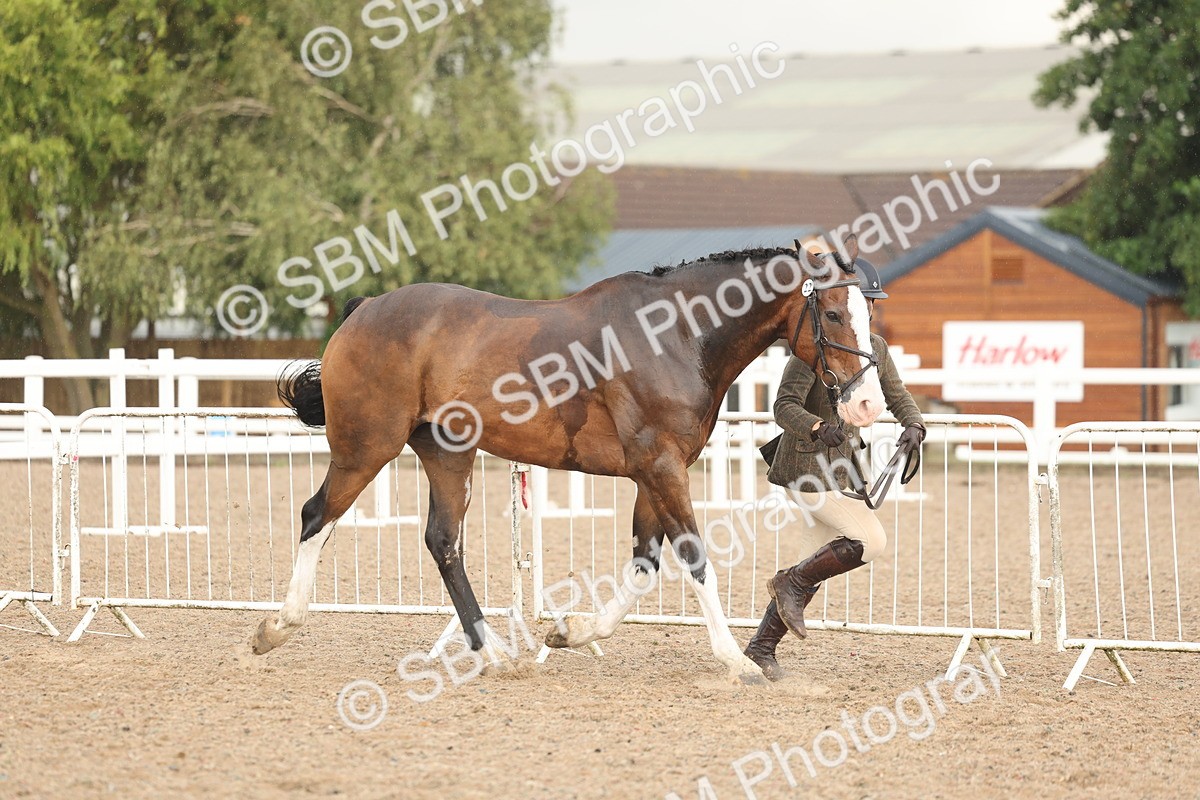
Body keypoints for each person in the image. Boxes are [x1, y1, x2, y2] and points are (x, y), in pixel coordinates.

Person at [743, 256, 926, 681]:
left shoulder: (874, 348)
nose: (868, 309)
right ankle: (788, 584)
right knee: (870, 540)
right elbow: (783, 406)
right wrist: (816, 425)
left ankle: (761, 647)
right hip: (804, 470)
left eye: (871, 303)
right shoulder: (817, 343)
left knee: (813, 564)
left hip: (841, 471)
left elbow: (897, 393)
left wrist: (914, 423)